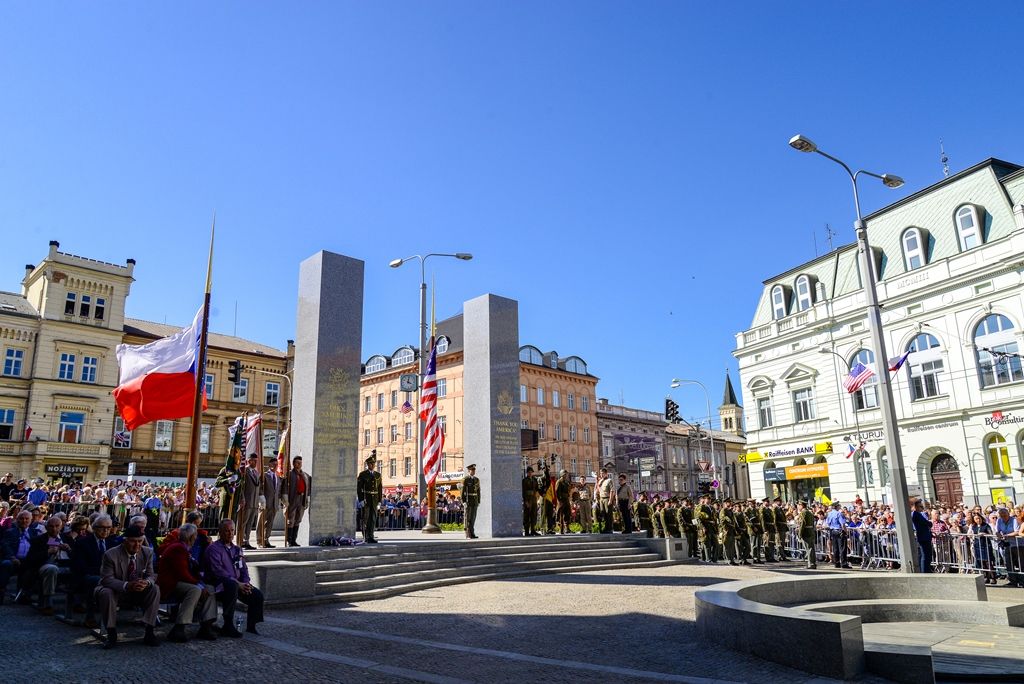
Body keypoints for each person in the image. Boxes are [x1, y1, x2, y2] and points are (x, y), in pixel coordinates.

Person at [96, 526, 160, 649]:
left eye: (140, 541)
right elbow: (106, 579)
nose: (137, 545)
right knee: (106, 592)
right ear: (125, 541)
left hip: (138, 590)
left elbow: (151, 575)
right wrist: (127, 585)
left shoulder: (147, 552)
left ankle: (149, 630)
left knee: (154, 588)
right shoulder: (110, 555)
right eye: (133, 541)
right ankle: (111, 632)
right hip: (117, 590)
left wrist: (146, 583)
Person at [157, 524, 218, 642]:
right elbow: (182, 574)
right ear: (191, 537)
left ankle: (206, 624)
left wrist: (201, 582)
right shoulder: (178, 548)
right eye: (195, 536)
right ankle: (180, 626)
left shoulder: (184, 548)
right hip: (170, 584)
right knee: (195, 590)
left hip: (179, 582)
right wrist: (199, 584)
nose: (196, 539)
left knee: (210, 589)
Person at [203, 519, 264, 637]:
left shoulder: (237, 549)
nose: (230, 534)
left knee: (257, 595)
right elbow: (218, 571)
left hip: (238, 584)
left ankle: (252, 625)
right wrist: (237, 583)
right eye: (227, 531)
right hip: (220, 585)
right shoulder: (214, 549)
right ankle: (228, 624)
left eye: (232, 531)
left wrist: (246, 583)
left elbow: (243, 569)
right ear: (220, 532)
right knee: (231, 586)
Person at [71, 513, 119, 627]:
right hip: (86, 576)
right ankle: (90, 616)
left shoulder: (112, 543)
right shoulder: (83, 543)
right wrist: (104, 572)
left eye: (108, 528)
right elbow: (80, 567)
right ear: (94, 528)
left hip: (107, 576)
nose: (106, 531)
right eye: (102, 528)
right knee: (96, 581)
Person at [23, 515, 72, 614]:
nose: (54, 529)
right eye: (51, 526)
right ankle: (47, 603)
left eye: (57, 526)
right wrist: (48, 552)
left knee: (79, 570)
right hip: (45, 565)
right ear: (46, 527)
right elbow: (30, 559)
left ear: (61, 526)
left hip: (64, 564)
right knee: (51, 569)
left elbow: (77, 556)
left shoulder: (67, 538)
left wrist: (70, 550)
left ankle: (78, 602)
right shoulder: (38, 540)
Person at [283, 455, 311, 547]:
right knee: (290, 520)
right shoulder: (290, 474)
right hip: (292, 499)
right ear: (293, 463)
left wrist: (307, 498)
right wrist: (285, 498)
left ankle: (294, 540)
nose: (299, 465)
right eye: (297, 463)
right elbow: (285, 487)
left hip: (301, 499)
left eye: (300, 463)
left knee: (298, 519)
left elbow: (308, 487)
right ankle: (289, 540)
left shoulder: (304, 475)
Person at [235, 454, 261, 550]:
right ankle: (240, 541)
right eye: (253, 460)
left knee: (250, 523)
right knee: (243, 522)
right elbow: (241, 487)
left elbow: (258, 487)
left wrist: (259, 499)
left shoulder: (256, 472)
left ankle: (247, 541)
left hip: (254, 502)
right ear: (249, 461)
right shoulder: (244, 471)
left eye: (256, 460)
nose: (255, 462)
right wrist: (242, 498)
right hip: (246, 501)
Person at [356, 453, 382, 543]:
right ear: (368, 465)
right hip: (366, 498)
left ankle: (371, 535)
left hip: (374, 499)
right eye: (371, 464)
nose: (373, 465)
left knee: (373, 518)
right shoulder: (363, 474)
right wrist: (361, 500)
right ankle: (365, 536)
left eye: (374, 464)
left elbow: (380, 488)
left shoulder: (378, 475)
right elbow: (359, 488)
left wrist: (379, 501)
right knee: (365, 518)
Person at [257, 456, 282, 548]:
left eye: (276, 464)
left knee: (270, 523)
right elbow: (260, 488)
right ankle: (260, 541)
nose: (275, 466)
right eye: (273, 464)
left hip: (274, 503)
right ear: (269, 465)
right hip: (265, 502)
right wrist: (261, 498)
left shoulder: (277, 477)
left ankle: (266, 539)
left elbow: (278, 491)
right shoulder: (264, 475)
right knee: (261, 522)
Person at [995, 506, 1023, 586]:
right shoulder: (999, 520)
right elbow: (997, 531)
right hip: (1007, 544)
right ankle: (1013, 581)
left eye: (1005, 515)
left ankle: (1022, 581)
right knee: (1009, 563)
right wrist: (998, 534)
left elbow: (1017, 531)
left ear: (1008, 514)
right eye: (1002, 516)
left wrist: (1007, 535)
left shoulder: (1014, 520)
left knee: (1020, 563)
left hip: (1017, 544)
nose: (1003, 517)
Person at [969, 512, 996, 584]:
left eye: (979, 518)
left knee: (988, 562)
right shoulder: (973, 526)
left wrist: (984, 534)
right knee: (981, 562)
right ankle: (986, 577)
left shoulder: (986, 525)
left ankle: (993, 577)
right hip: (977, 545)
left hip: (986, 545)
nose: (978, 520)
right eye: (976, 519)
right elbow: (970, 534)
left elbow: (991, 535)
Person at [825, 502, 851, 569]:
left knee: (835, 548)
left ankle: (836, 563)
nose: (840, 507)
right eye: (839, 506)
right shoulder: (839, 514)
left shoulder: (829, 514)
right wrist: (846, 532)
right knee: (842, 548)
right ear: (837, 506)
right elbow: (842, 524)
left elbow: (827, 523)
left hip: (832, 531)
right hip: (839, 531)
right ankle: (844, 563)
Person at [912, 499, 934, 573]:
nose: (922, 508)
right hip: (923, 537)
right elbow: (926, 523)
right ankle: (924, 571)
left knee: (927, 555)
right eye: (920, 506)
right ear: (916, 507)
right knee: (925, 555)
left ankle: (927, 569)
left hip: (925, 536)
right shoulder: (916, 514)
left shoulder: (919, 514)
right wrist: (930, 523)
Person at [461, 464, 481, 539]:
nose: (473, 471)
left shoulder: (476, 479)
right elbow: (462, 491)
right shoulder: (465, 479)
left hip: (474, 501)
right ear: (469, 471)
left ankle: (472, 533)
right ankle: (467, 534)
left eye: (474, 470)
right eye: (472, 470)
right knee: (467, 518)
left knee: (473, 518)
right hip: (468, 500)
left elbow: (478, 491)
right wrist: (463, 501)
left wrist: (478, 501)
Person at [797, 501, 817, 569]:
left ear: (802, 505)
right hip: (810, 532)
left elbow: (802, 524)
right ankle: (813, 563)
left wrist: (799, 534)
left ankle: (811, 564)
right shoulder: (809, 512)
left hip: (806, 532)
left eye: (799, 505)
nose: (798, 506)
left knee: (809, 549)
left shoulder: (803, 512)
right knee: (811, 548)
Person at [522, 466, 539, 536]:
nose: (530, 473)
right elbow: (523, 491)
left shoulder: (535, 480)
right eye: (529, 472)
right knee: (527, 516)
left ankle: (533, 530)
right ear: (527, 473)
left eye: (531, 472)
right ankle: (526, 531)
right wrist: (526, 501)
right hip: (528, 499)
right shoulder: (524, 480)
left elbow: (537, 489)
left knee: (534, 515)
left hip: (534, 500)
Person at [596, 469, 614, 534]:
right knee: (603, 513)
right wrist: (598, 483)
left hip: (607, 498)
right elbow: (598, 490)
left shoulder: (609, 480)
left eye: (603, 473)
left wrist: (610, 500)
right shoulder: (600, 481)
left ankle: (610, 528)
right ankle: (605, 528)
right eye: (600, 473)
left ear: (606, 473)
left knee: (608, 514)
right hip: (601, 499)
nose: (601, 474)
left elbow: (612, 491)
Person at [554, 470, 572, 534]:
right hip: (561, 500)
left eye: (566, 474)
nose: (565, 475)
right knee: (561, 515)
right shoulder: (559, 482)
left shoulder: (566, 482)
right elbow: (557, 492)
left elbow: (568, 491)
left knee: (567, 513)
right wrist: (559, 500)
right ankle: (561, 529)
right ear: (561, 474)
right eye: (564, 474)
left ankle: (567, 528)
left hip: (566, 499)